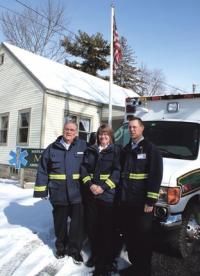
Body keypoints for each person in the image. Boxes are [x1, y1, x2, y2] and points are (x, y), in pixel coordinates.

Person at [33, 121, 87, 264]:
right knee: (60, 223)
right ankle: (61, 248)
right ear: (63, 130)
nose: (69, 132)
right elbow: (43, 170)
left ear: (76, 133)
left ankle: (75, 250)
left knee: (77, 225)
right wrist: (41, 190)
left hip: (77, 193)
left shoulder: (83, 146)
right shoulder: (52, 148)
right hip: (59, 193)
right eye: (67, 129)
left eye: (72, 130)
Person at [120, 117, 163, 276]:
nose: (132, 130)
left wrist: (150, 200)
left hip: (142, 203)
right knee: (130, 236)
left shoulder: (151, 149)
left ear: (142, 128)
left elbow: (155, 175)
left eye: (135, 127)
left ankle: (144, 271)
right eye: (130, 127)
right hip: (127, 202)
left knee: (143, 239)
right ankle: (135, 267)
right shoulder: (126, 149)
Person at [81, 124, 121, 276]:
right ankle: (96, 256)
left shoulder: (116, 151)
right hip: (91, 195)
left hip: (107, 196)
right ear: (97, 136)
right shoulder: (90, 150)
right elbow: (83, 169)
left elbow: (117, 172)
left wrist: (103, 188)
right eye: (100, 134)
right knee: (92, 228)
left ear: (110, 136)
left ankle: (104, 262)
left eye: (106, 135)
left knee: (105, 230)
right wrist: (90, 185)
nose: (103, 137)